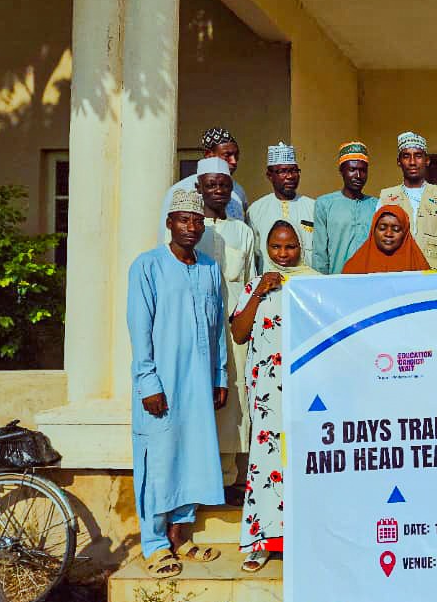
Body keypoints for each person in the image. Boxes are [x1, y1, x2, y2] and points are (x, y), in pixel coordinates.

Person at [127, 189, 226, 579]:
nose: (191, 227)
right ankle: (154, 544)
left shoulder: (208, 268)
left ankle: (181, 536)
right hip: (161, 382)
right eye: (183, 219)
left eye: (197, 221)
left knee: (192, 454)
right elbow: (140, 328)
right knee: (159, 458)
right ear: (169, 223)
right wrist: (148, 381)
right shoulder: (147, 266)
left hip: (199, 382)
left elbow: (217, 328)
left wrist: (219, 375)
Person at [229, 220, 320, 573]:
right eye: (277, 247)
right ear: (267, 249)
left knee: (305, 460)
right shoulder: (257, 284)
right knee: (267, 461)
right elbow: (238, 334)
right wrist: (258, 292)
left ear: (300, 247)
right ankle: (262, 540)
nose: (284, 254)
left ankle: (306, 539)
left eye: (290, 246)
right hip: (267, 391)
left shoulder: (314, 283)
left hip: (306, 389)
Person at [194, 157, 256, 505]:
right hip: (198, 326)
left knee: (235, 403)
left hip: (235, 330)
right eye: (211, 184)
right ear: (199, 187)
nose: (218, 190)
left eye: (224, 184)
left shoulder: (242, 231)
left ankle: (230, 477)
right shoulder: (189, 227)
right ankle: (200, 478)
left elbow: (248, 282)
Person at [158, 127, 247, 243]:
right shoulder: (180, 190)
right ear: (209, 154)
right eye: (227, 155)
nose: (234, 161)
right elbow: (166, 238)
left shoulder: (239, 191)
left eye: (236, 156)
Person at [376, 132, 437, 270]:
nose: (412, 162)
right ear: (399, 162)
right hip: (398, 271)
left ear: (427, 160)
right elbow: (378, 241)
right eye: (406, 156)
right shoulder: (386, 197)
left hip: (435, 273)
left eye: (418, 156)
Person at [247, 141, 315, 272]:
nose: (290, 176)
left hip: (304, 285)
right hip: (269, 287)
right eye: (283, 171)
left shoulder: (313, 207)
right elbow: (252, 257)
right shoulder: (256, 210)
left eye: (294, 171)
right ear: (269, 175)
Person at [311, 142, 378, 274]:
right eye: (352, 170)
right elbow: (320, 254)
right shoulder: (324, 204)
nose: (358, 176)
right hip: (336, 282)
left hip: (370, 281)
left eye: (363, 170)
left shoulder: (376, 205)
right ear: (341, 171)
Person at [343, 205, 431, 274]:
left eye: (396, 229)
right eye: (382, 228)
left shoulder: (419, 265)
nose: (388, 234)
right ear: (373, 230)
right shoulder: (353, 267)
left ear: (405, 233)